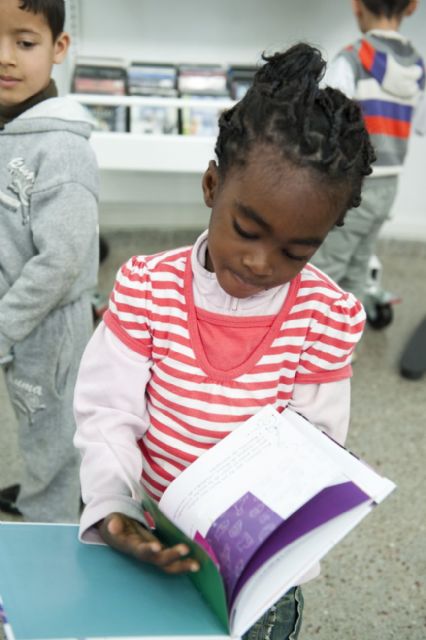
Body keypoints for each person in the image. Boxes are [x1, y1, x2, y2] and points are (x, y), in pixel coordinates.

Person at [74, 43, 375, 639]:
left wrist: (250, 542)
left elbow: (310, 449)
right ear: (213, 185)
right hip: (148, 524)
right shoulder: (145, 288)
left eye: (297, 250)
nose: (262, 263)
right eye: (247, 230)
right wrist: (114, 507)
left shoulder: (326, 317)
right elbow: (108, 414)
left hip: (249, 558)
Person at [0, 0, 99, 522]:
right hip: (20, 321)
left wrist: (4, 325)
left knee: (54, 441)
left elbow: (61, 261)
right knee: (36, 427)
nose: (5, 58)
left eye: (24, 42)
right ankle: (45, 497)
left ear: (59, 48)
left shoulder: (60, 148)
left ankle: (51, 526)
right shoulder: (11, 126)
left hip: (47, 327)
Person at [311, 0, 425, 303]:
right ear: (412, 7)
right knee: (359, 267)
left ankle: (324, 348)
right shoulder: (417, 67)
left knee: (326, 271)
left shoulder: (352, 60)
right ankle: (349, 346)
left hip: (352, 183)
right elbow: (421, 124)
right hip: (389, 186)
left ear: (357, 6)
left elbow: (328, 126)